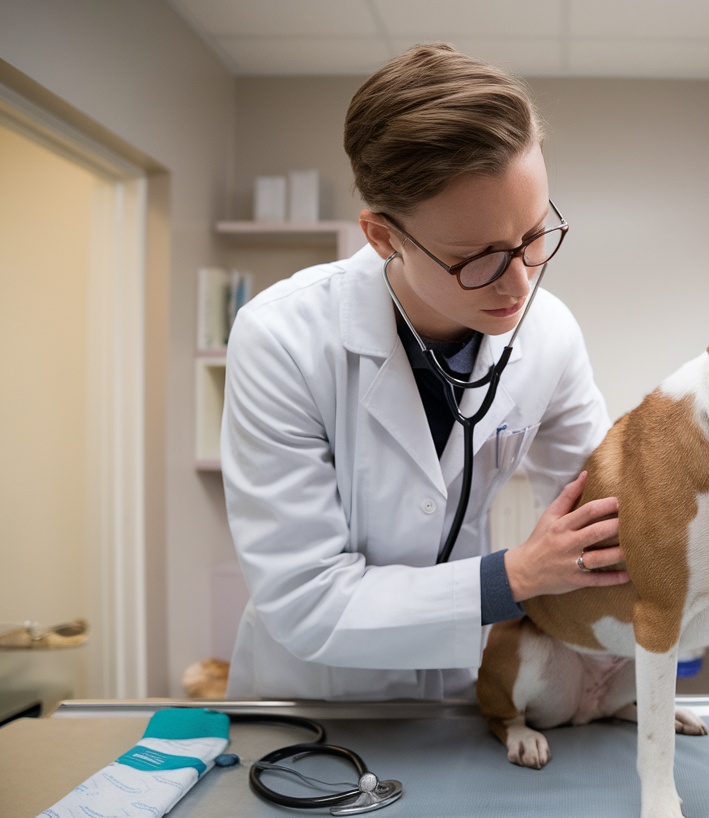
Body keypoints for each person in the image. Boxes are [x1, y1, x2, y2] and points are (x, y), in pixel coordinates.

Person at [221, 43, 628, 700]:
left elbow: (603, 511)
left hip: (455, 689)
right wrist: (516, 576)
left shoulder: (548, 331)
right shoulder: (283, 339)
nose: (520, 283)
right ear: (384, 237)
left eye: (532, 236)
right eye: (479, 258)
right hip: (316, 695)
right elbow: (306, 601)